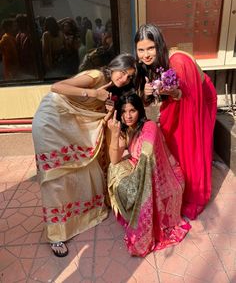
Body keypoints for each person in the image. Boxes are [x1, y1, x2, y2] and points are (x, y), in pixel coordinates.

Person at [32, 54, 136, 257]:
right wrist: (93, 94)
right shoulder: (96, 76)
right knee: (55, 178)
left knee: (87, 169)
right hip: (51, 121)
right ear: (114, 66)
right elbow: (57, 87)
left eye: (129, 77)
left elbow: (96, 118)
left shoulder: (110, 90)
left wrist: (106, 110)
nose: (124, 79)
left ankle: (84, 215)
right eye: (122, 72)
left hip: (72, 128)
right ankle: (56, 235)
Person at [134, 23, 217, 220]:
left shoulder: (176, 61)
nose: (145, 54)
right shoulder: (147, 66)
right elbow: (149, 99)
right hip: (180, 101)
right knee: (175, 142)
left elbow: (183, 93)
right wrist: (146, 95)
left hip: (200, 99)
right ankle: (179, 183)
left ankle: (193, 191)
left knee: (190, 144)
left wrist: (174, 93)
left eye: (150, 48)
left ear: (159, 46)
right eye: (141, 49)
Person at [107, 93, 190, 257]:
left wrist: (136, 181)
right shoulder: (127, 130)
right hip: (140, 170)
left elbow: (147, 157)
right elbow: (114, 159)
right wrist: (115, 134)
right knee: (113, 168)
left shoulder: (149, 127)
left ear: (140, 111)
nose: (128, 116)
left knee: (133, 189)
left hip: (160, 175)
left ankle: (143, 229)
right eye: (123, 112)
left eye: (132, 111)